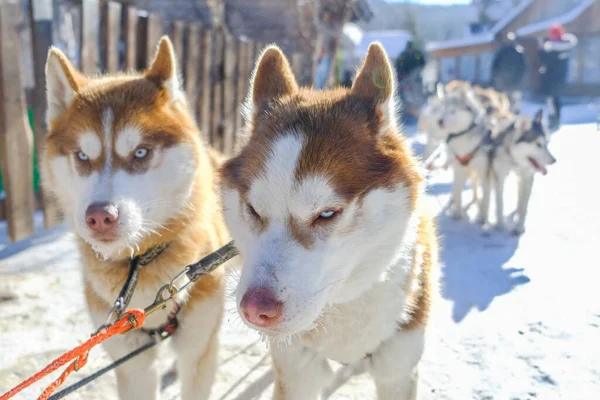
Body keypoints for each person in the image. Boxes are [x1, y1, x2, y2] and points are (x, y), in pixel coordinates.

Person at [538, 24, 578, 130]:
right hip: (560, 78)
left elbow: (545, 60)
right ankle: (556, 120)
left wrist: (542, 49)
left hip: (552, 78)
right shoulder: (567, 46)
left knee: (551, 100)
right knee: (556, 100)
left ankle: (554, 120)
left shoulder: (553, 49)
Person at [491, 32, 526, 113]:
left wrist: (517, 81)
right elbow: (495, 66)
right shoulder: (501, 52)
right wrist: (496, 79)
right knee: (502, 101)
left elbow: (522, 69)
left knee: (514, 103)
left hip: (515, 83)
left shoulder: (518, 52)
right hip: (502, 82)